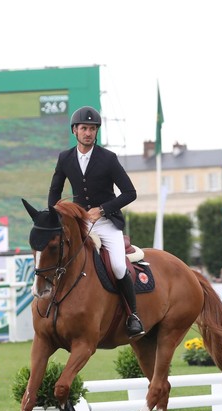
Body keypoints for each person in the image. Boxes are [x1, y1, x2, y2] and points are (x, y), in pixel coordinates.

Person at [47, 106, 144, 337]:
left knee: (119, 266)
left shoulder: (108, 159)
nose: (88, 133)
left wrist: (102, 210)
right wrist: (55, 216)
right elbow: (54, 192)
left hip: (107, 223)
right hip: (80, 224)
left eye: (92, 129)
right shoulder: (65, 158)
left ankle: (133, 316)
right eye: (84, 128)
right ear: (75, 131)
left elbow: (130, 193)